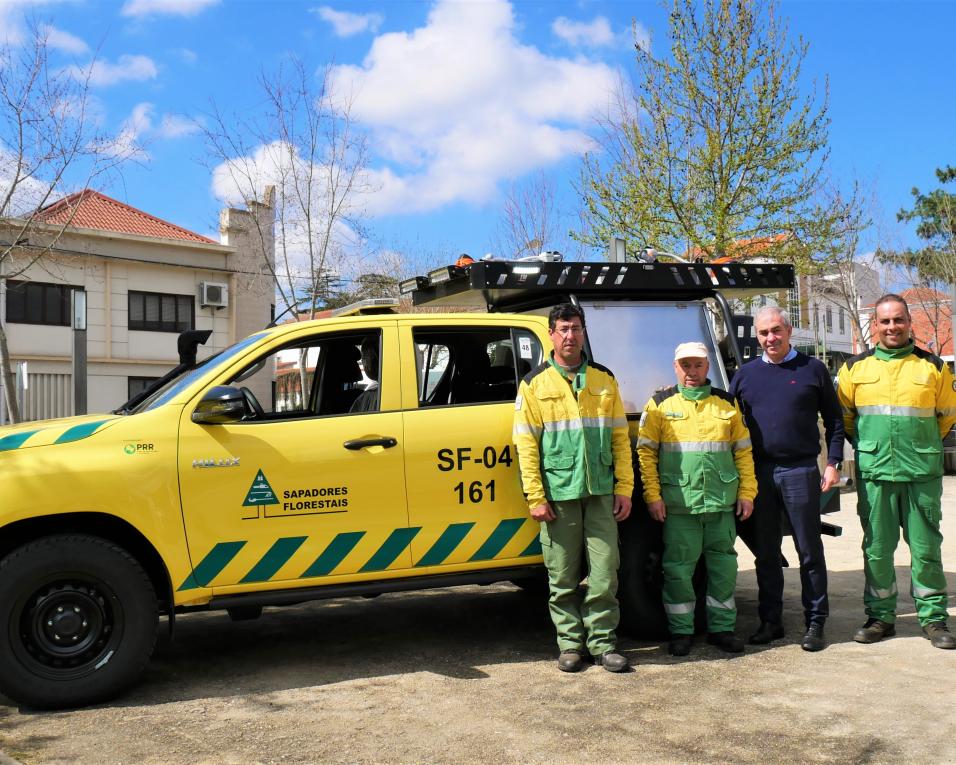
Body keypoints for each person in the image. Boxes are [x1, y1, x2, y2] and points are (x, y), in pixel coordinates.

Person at [513, 303, 634, 672]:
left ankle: (603, 644)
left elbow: (619, 437)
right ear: (551, 334)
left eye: (576, 328)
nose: (570, 335)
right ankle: (570, 644)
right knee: (562, 576)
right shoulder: (534, 384)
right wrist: (535, 496)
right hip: (558, 494)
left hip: (600, 492)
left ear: (583, 333)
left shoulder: (603, 378)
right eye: (563, 329)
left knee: (604, 574)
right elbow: (526, 445)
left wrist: (624, 487)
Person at [837, 294, 956, 649]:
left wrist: (919, 447)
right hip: (876, 475)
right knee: (876, 549)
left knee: (925, 549)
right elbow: (847, 419)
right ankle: (880, 617)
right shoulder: (854, 369)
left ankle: (934, 619)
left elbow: (946, 418)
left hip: (921, 472)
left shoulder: (934, 367)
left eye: (898, 320)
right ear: (875, 325)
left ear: (909, 324)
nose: (892, 327)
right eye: (885, 321)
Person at [729, 306, 844, 652]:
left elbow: (835, 421)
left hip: (800, 469)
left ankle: (815, 622)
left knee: (809, 549)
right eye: (763, 333)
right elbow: (725, 416)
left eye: (776, 330)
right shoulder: (745, 375)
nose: (770, 338)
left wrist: (833, 463)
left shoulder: (813, 369)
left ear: (789, 330)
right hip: (760, 473)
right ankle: (771, 621)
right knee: (765, 553)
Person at [638, 342, 756, 656]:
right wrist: (652, 496)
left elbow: (743, 452)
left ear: (707, 367)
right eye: (685, 366)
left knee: (723, 569)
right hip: (680, 504)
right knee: (677, 571)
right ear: (676, 368)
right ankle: (681, 632)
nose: (692, 372)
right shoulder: (660, 404)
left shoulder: (726, 404)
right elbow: (646, 454)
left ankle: (722, 629)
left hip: (720, 503)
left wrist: (747, 493)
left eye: (698, 365)